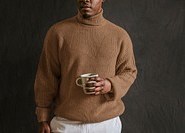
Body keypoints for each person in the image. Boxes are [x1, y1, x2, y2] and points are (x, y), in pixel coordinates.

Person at [34, 0, 137, 132]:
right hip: (66, 124)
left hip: (107, 124)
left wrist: (110, 85)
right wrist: (42, 118)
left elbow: (129, 71)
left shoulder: (119, 36)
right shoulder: (57, 33)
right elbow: (46, 76)